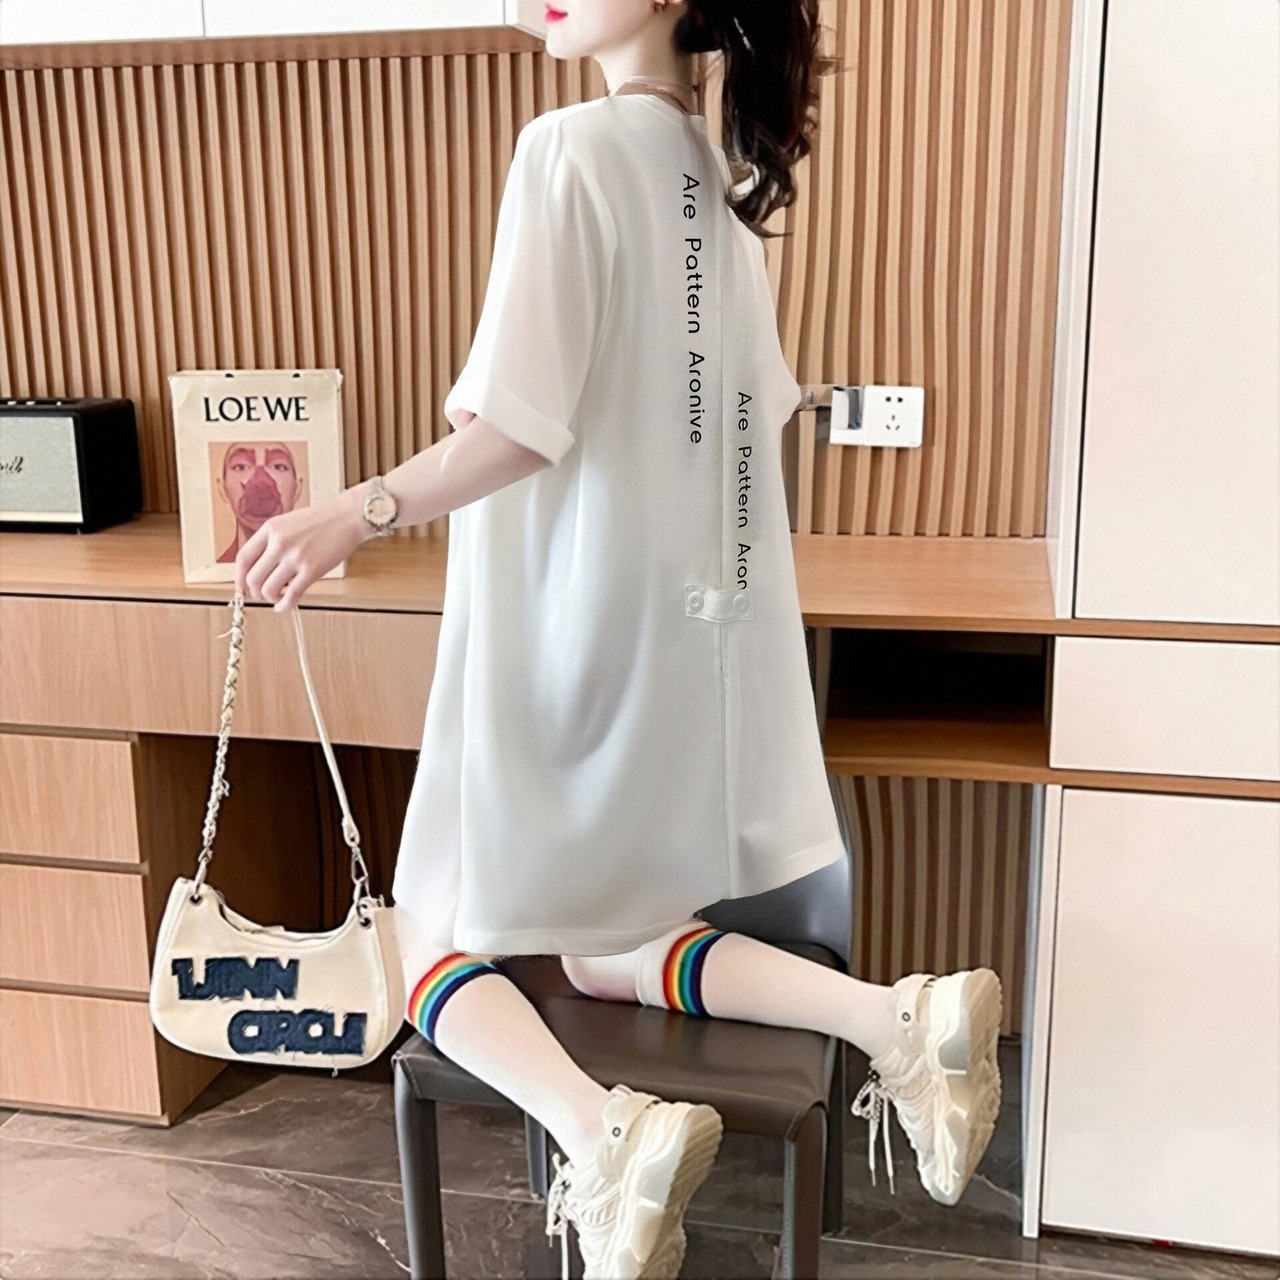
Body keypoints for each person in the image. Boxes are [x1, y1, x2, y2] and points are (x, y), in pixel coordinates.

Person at [233, 1, 1004, 1275]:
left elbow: (516, 430)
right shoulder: (716, 180)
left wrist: (348, 512)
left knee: (421, 940)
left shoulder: (569, 148)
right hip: (680, 648)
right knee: (607, 943)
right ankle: (894, 1018)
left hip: (562, 641)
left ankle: (602, 1132)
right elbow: (741, 432)